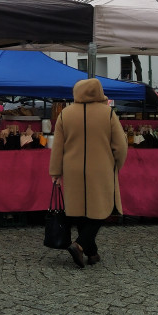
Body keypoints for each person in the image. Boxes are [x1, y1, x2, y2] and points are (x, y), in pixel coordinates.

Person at [48, 78, 129, 268]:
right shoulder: (108, 114)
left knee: (79, 212)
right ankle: (80, 245)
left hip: (72, 169)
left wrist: (55, 172)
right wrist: (116, 164)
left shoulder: (65, 114)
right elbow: (120, 146)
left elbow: (57, 147)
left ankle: (91, 253)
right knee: (101, 210)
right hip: (101, 169)